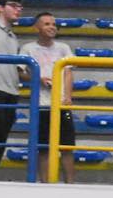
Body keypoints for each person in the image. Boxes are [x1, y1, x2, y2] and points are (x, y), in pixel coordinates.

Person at [18, 10, 75, 182]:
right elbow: (20, 72)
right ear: (36, 28)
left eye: (54, 24)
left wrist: (67, 96)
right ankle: (45, 184)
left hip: (61, 105)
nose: (52, 27)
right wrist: (38, 78)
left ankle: (70, 184)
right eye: (47, 24)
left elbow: (68, 73)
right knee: (43, 148)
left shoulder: (64, 48)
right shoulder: (27, 48)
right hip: (40, 105)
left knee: (67, 147)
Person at [0, 0, 26, 178]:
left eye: (20, 7)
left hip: (10, 91)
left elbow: (17, 69)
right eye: (13, 5)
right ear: (0, 7)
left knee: (1, 137)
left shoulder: (13, 36)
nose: (18, 10)